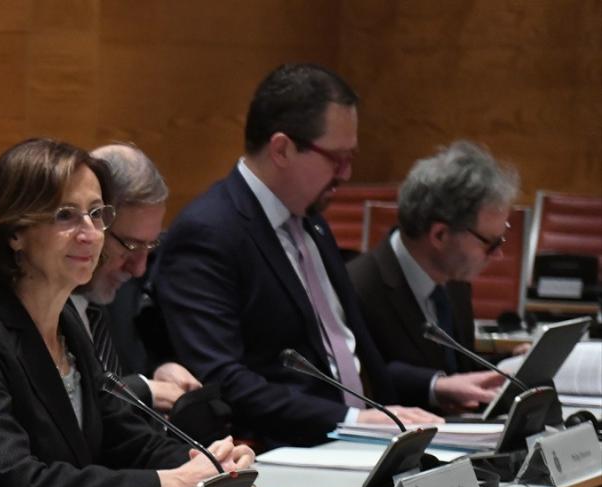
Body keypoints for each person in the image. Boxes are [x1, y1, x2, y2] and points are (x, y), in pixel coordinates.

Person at [0, 138, 254, 487]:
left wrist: (206, 463)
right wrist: (170, 483)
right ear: (14, 231)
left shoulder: (69, 326)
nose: (90, 233)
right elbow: (21, 483)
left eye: (97, 214)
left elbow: (125, 438)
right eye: (66, 216)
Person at [155, 63, 472, 449]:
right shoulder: (209, 233)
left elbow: (348, 353)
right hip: (292, 453)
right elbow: (224, 380)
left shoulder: (312, 223)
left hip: (372, 441)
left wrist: (424, 395)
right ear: (282, 149)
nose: (347, 173)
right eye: (336, 158)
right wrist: (352, 420)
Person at [347, 141, 515, 393]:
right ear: (440, 236)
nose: (499, 254)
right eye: (490, 243)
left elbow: (458, 371)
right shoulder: (357, 287)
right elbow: (364, 378)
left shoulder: (454, 279)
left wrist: (511, 362)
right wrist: (434, 386)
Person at [75, 143, 204, 414]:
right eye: (130, 246)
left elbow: (126, 367)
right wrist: (142, 388)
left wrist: (159, 370)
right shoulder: (39, 301)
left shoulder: (119, 287)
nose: (139, 269)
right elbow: (66, 403)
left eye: (150, 246)